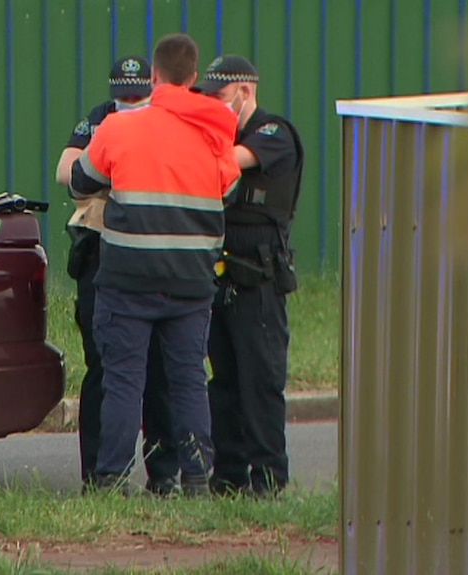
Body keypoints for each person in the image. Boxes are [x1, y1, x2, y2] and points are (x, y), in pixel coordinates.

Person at [69, 33, 240, 496]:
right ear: (193, 76)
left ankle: (110, 480)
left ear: (156, 77)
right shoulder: (214, 136)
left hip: (128, 280)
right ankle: (198, 480)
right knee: (188, 382)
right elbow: (228, 188)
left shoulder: (121, 129)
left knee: (124, 380)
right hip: (190, 282)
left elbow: (81, 182)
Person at [55, 55, 180, 496]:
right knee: (104, 369)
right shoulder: (101, 118)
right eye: (122, 94)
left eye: (137, 94)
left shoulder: (167, 122)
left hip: (151, 256)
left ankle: (164, 475)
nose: (129, 101)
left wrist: (108, 175)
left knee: (161, 372)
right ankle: (100, 477)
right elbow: (67, 172)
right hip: (101, 254)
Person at [192, 54, 304, 497]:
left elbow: (229, 162)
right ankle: (230, 476)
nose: (212, 106)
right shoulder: (221, 134)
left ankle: (269, 480)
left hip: (259, 278)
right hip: (221, 277)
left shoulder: (273, 132)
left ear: (245, 91)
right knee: (224, 382)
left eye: (219, 97)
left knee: (261, 381)